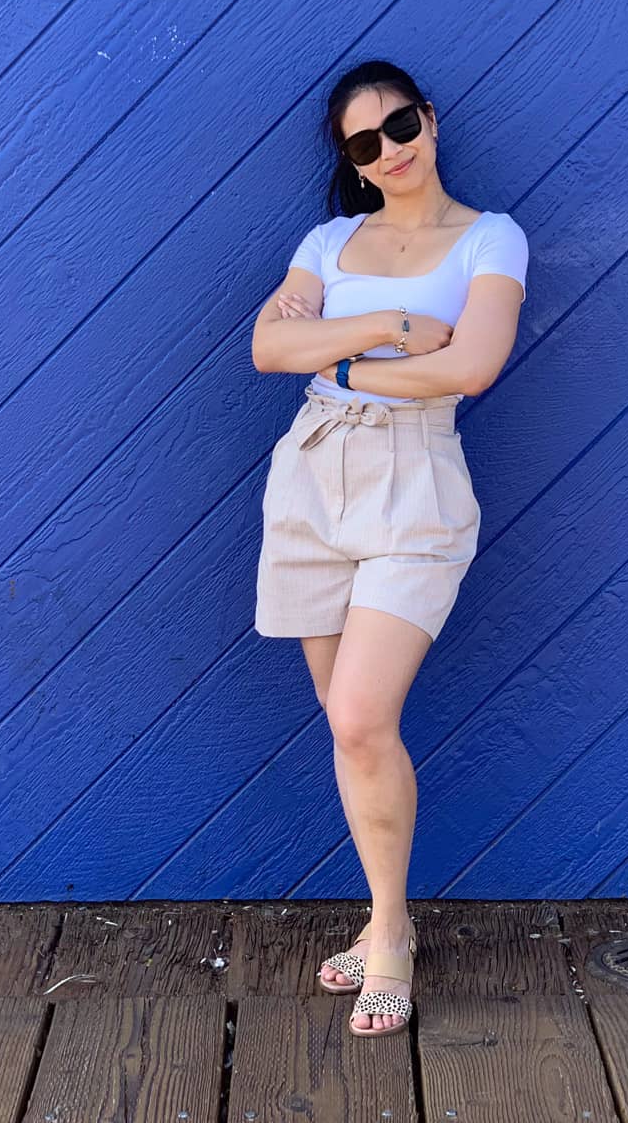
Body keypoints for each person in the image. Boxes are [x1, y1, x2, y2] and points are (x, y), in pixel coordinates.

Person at [249, 60, 529, 1037]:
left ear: (430, 119)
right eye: (364, 142)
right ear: (353, 163)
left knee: (364, 715)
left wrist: (337, 349)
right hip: (314, 472)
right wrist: (392, 330)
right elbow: (266, 350)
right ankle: (381, 920)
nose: (390, 148)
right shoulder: (328, 242)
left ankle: (393, 935)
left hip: (416, 482)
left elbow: (476, 362)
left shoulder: (490, 238)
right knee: (343, 722)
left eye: (400, 123)